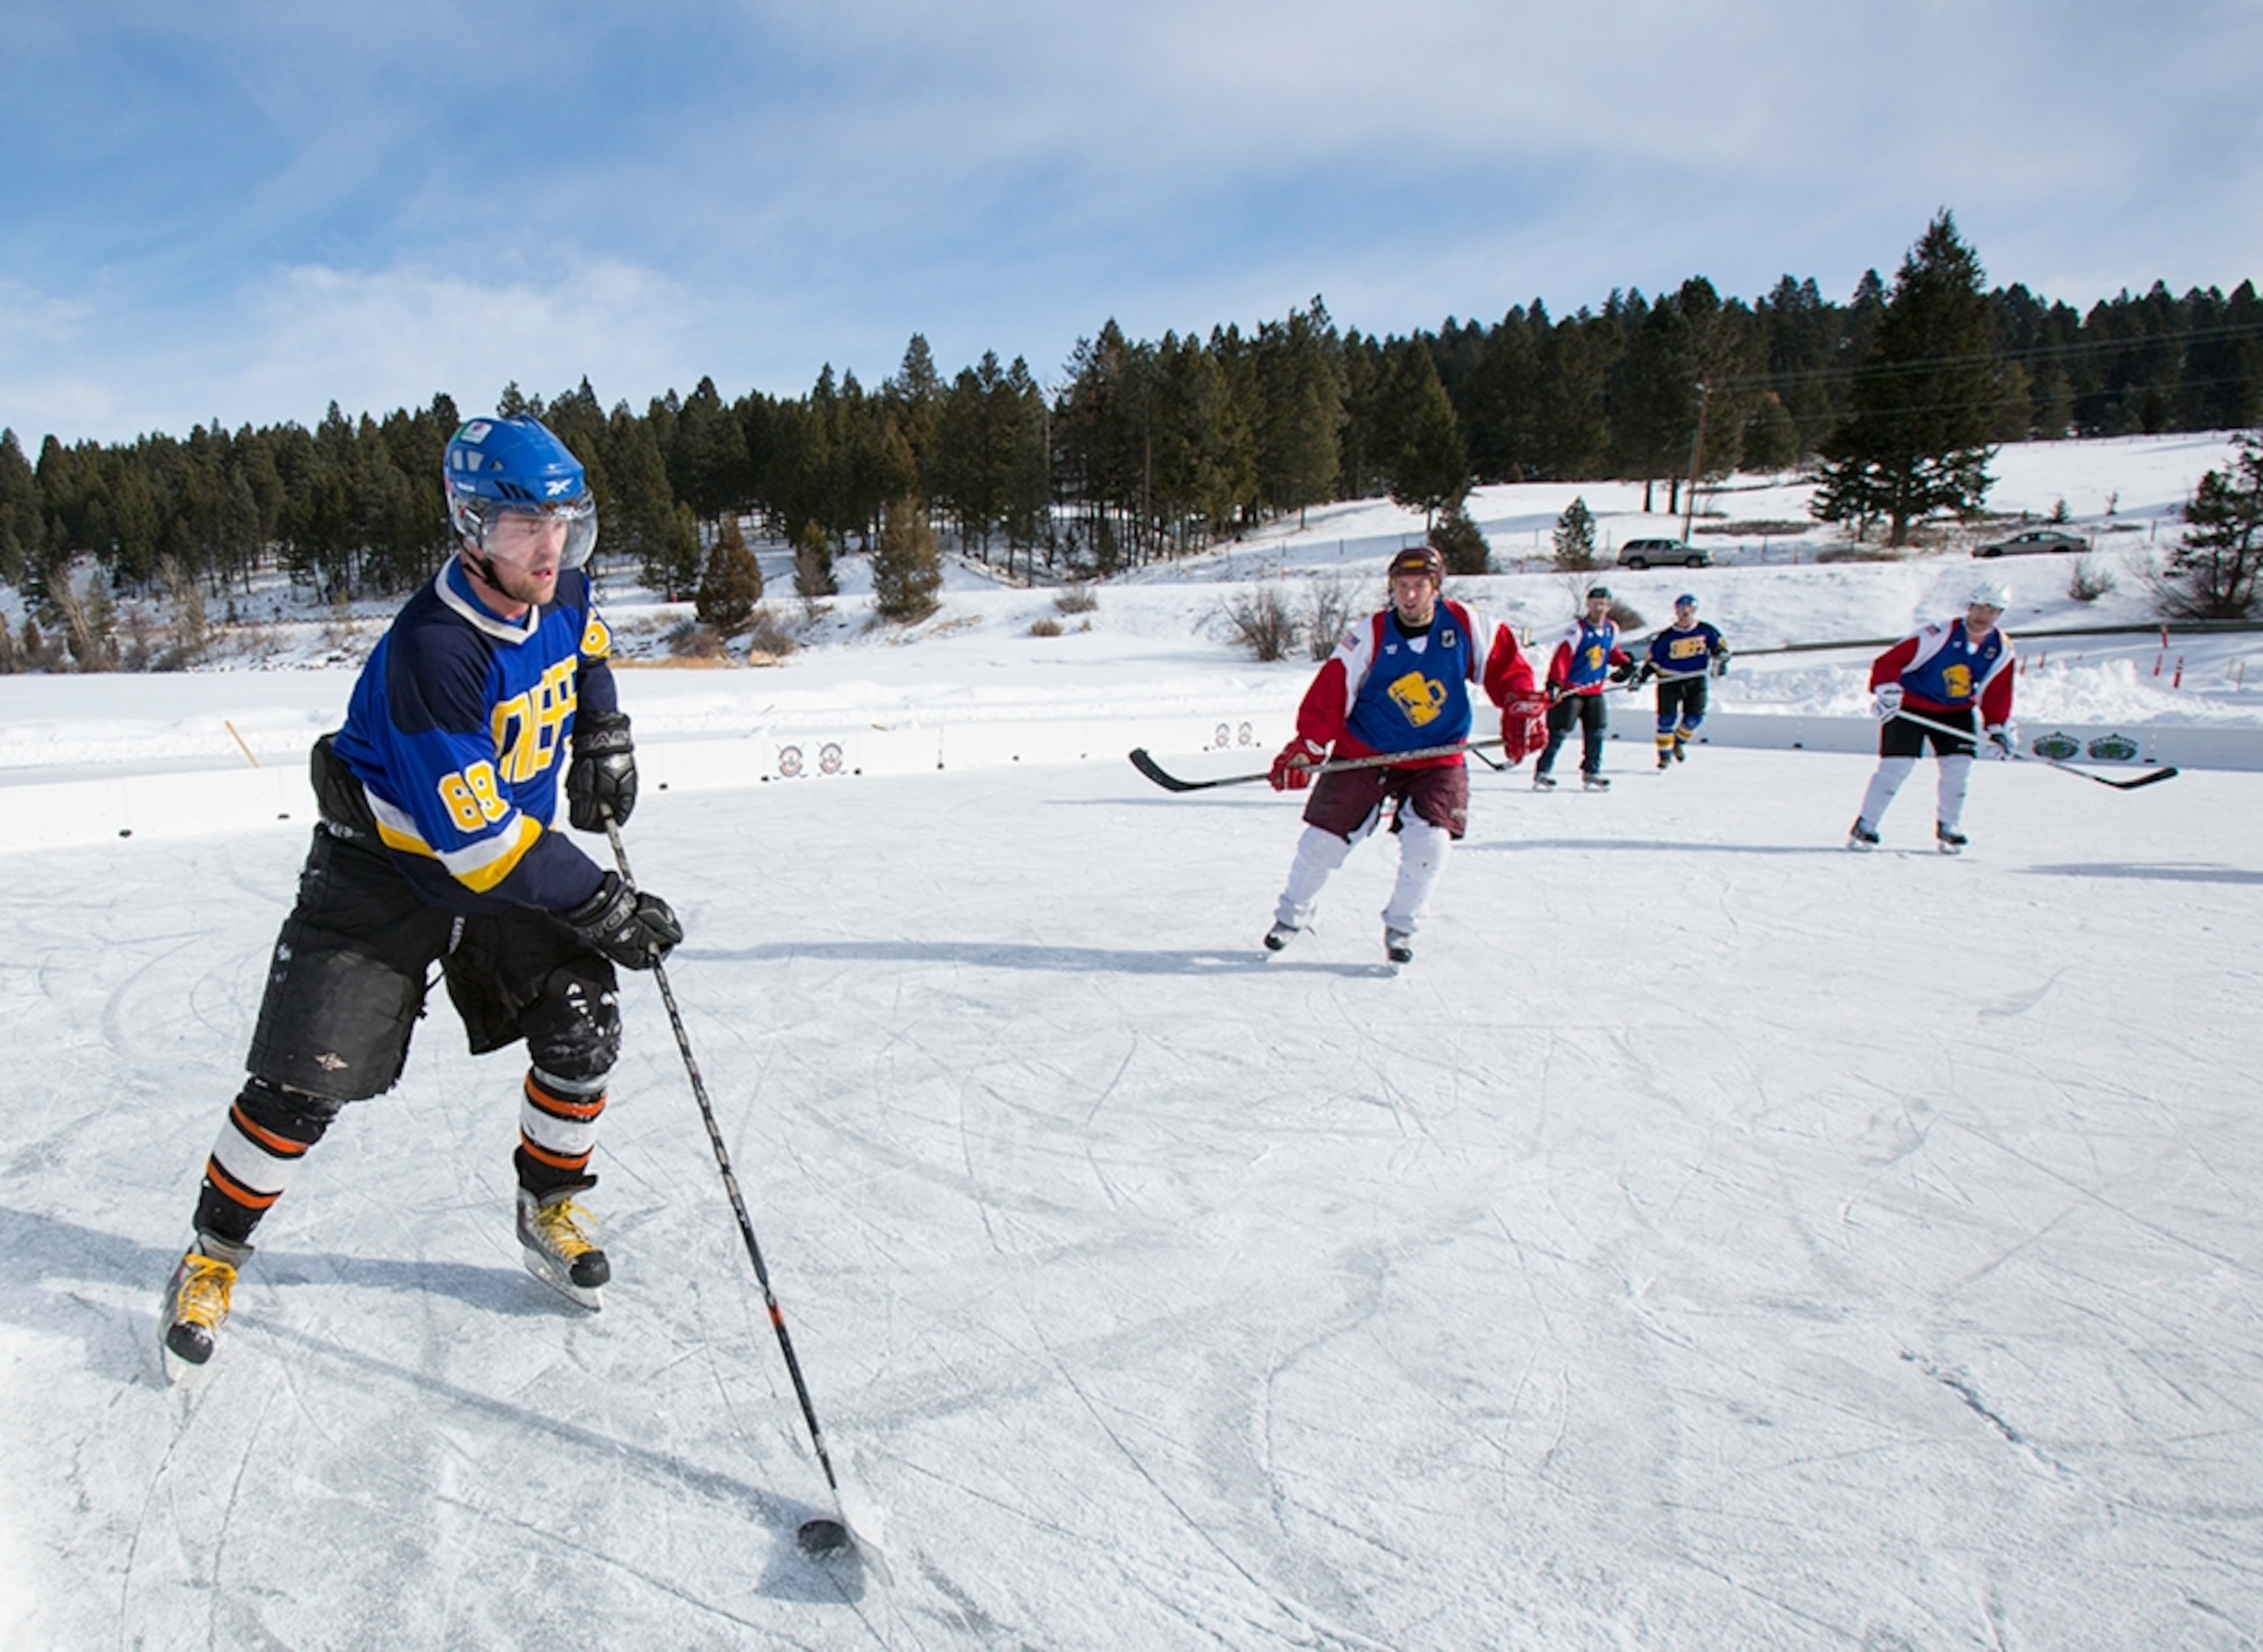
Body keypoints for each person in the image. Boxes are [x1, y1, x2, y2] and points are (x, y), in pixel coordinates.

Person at [160, 415, 684, 1378]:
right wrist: (602, 898)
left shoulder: (559, 586)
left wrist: (604, 730)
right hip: (389, 871)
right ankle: (213, 1252)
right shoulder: (434, 651)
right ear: (472, 524)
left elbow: (589, 637)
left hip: (513, 859)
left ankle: (549, 1205)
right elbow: (479, 842)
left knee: (582, 1024)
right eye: (526, 523)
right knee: (300, 1083)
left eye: (564, 519)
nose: (551, 543)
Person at [1263, 544, 1543, 963]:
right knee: (1321, 842)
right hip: (1367, 751)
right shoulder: (1370, 634)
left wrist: (1520, 704)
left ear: (1436, 589)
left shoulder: (1467, 625)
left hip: (1438, 755)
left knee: (1432, 844)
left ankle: (1402, 925)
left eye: (1419, 587)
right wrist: (1309, 745)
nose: (1409, 596)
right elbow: (1333, 691)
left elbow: (1508, 667)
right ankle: (1291, 916)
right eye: (1402, 587)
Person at [1849, 578, 2017, 854]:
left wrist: (1998, 727)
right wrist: (1888, 692)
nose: (1983, 616)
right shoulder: (1937, 634)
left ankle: (1949, 826)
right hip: (1911, 708)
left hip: (1956, 712)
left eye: (1993, 610)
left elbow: (1997, 691)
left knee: (1958, 769)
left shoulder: (2001, 649)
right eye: (1980, 608)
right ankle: (1866, 825)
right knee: (1896, 767)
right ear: (1970, 606)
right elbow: (1889, 662)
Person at [1532, 584, 1637, 790]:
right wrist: (1555, 684)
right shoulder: (1577, 630)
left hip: (1594, 690)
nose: (1599, 608)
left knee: (1597, 731)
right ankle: (1543, 771)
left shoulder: (1611, 628)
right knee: (1559, 732)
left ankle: (1592, 771)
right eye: (1596, 603)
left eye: (1604, 604)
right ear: (1588, 604)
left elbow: (1609, 652)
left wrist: (1625, 664)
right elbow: (1562, 658)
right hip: (1573, 691)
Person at [1634, 594, 1730, 769]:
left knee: (1695, 717)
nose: (1685, 612)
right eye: (1681, 609)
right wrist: (1641, 677)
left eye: (1689, 609)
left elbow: (1720, 647)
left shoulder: (1707, 631)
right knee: (1666, 719)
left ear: (1694, 611)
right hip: (1669, 680)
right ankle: (1664, 756)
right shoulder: (1666, 637)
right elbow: (1653, 660)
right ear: (1676, 611)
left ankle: (1677, 742)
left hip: (1695, 679)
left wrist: (1721, 655)